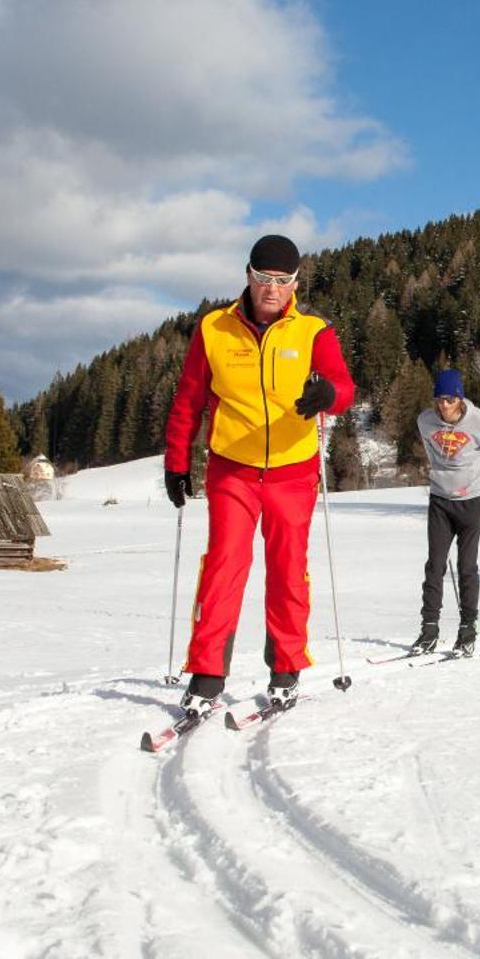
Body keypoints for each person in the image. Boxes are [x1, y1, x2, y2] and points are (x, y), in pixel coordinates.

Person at [163, 234, 355, 710]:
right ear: (247, 275)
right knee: (225, 566)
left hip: (293, 472)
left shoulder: (313, 331)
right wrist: (176, 461)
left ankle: (286, 669)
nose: (273, 289)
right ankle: (207, 675)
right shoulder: (213, 329)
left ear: (295, 282)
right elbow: (188, 398)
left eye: (283, 281)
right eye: (264, 278)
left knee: (288, 570)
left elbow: (344, 386)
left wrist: (328, 396)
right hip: (233, 472)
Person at [414, 368, 480, 657]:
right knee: (434, 565)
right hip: (440, 498)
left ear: (459, 399)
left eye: (449, 400)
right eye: (439, 399)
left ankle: (468, 629)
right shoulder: (425, 421)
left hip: (472, 500)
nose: (443, 406)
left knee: (466, 566)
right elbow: (431, 452)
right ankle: (429, 629)